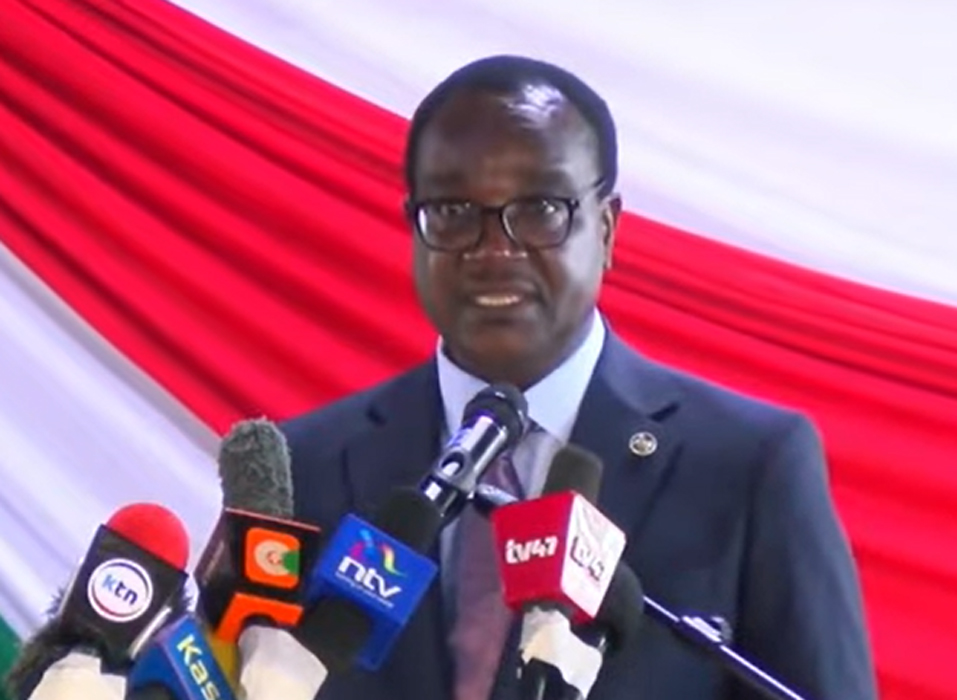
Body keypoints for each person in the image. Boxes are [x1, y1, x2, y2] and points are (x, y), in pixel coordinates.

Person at [282, 55, 877, 700]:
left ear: (607, 228)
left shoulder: (748, 464)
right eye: (453, 209)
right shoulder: (305, 465)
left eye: (541, 208)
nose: (495, 250)